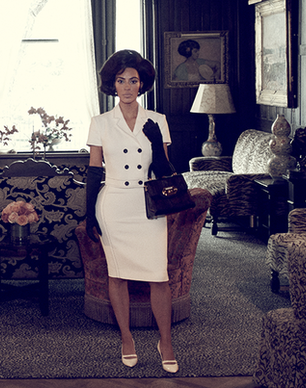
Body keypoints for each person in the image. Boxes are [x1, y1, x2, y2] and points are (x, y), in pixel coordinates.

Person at [85, 49, 179, 373]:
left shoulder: (158, 121)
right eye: (121, 80)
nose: (127, 87)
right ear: (113, 85)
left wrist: (156, 143)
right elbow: (94, 171)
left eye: (133, 81)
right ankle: (126, 338)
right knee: (118, 275)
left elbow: (165, 171)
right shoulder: (100, 122)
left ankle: (165, 341)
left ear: (142, 84)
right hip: (113, 206)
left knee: (159, 277)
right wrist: (89, 213)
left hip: (147, 206)